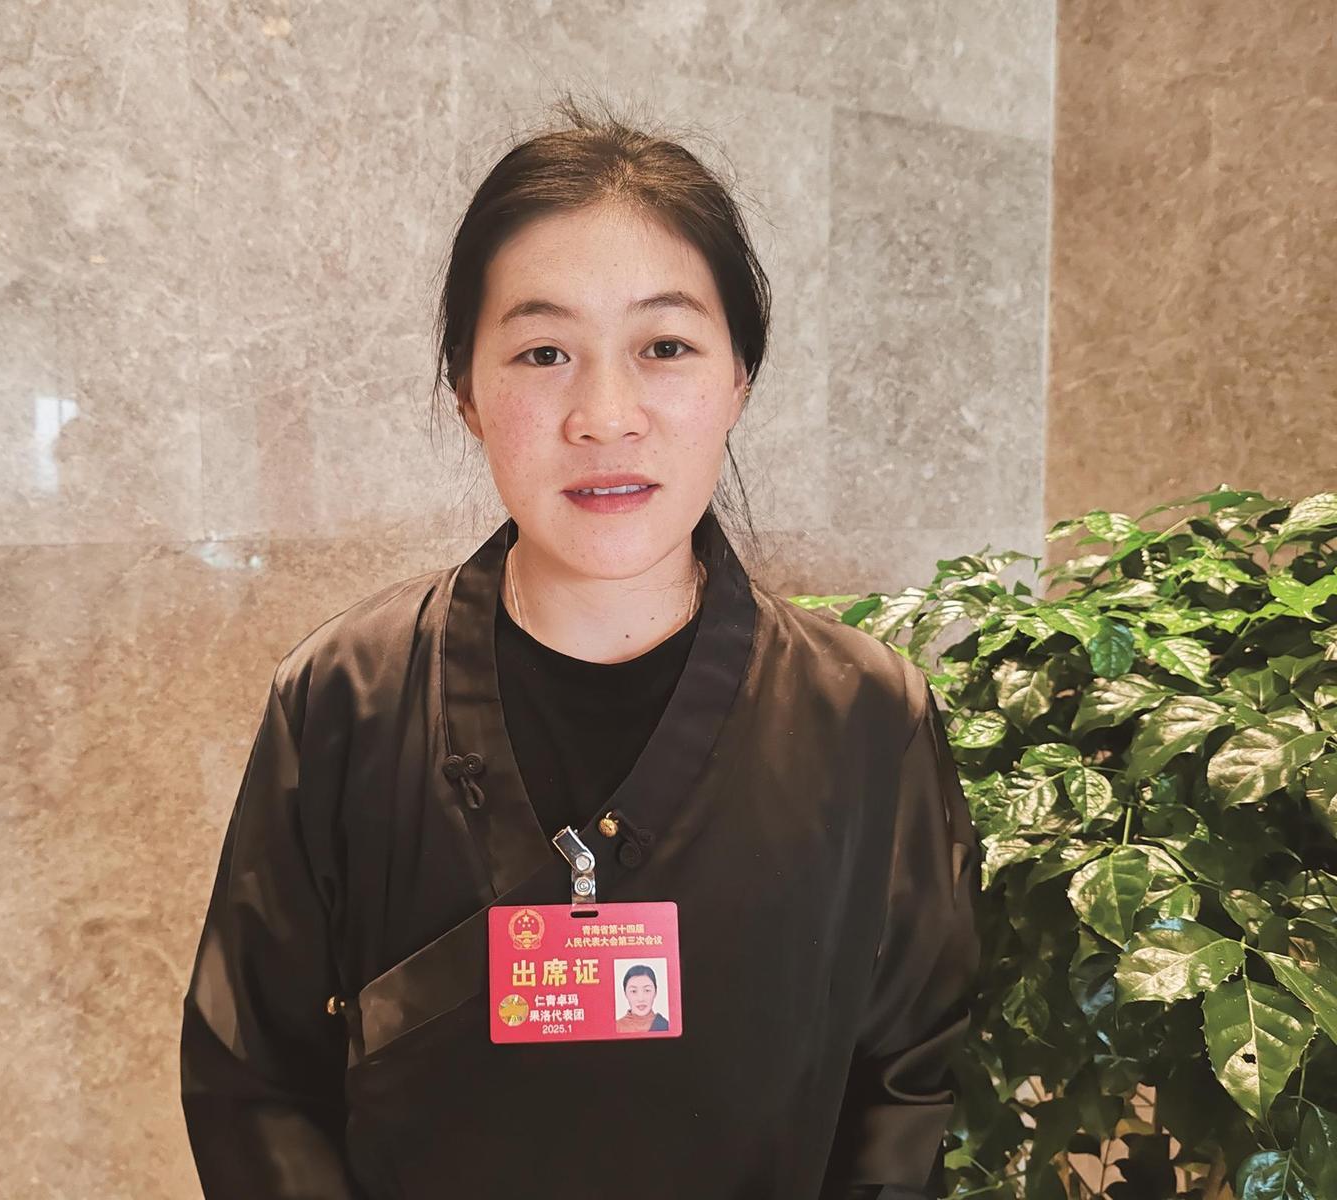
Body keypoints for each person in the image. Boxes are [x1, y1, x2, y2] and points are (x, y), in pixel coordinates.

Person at [179, 94, 982, 1200]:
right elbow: (252, 1080)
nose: (605, 414)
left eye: (664, 346)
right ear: (467, 390)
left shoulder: (865, 714)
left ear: (738, 379)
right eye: (545, 351)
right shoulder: (344, 697)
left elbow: (909, 1082)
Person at [616, 963, 672, 1033]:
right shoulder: (616, 1027)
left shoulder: (666, 1026)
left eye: (647, 990)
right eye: (633, 991)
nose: (641, 999)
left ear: (655, 992)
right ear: (625, 994)